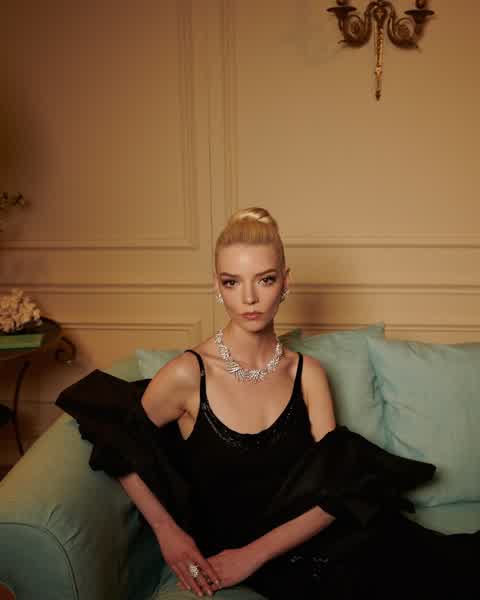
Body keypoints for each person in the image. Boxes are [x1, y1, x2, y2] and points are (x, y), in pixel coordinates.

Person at [57, 207, 479, 600]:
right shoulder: (188, 374)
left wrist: (251, 557)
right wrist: (168, 531)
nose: (249, 298)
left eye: (265, 279)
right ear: (216, 286)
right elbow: (118, 440)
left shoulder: (307, 373)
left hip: (322, 537)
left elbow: (337, 488)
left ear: (285, 282)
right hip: (281, 559)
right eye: (232, 282)